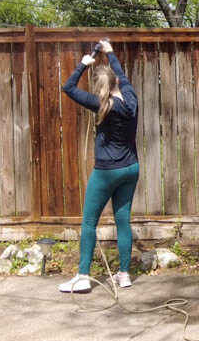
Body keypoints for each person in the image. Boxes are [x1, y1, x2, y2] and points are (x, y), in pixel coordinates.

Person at [58, 40, 139, 293]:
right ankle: (124, 274)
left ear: (100, 86)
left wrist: (83, 64)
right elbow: (122, 74)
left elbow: (68, 87)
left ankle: (83, 276)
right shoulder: (131, 98)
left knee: (89, 222)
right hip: (131, 169)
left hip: (106, 171)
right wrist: (111, 52)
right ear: (116, 81)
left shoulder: (101, 104)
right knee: (123, 221)